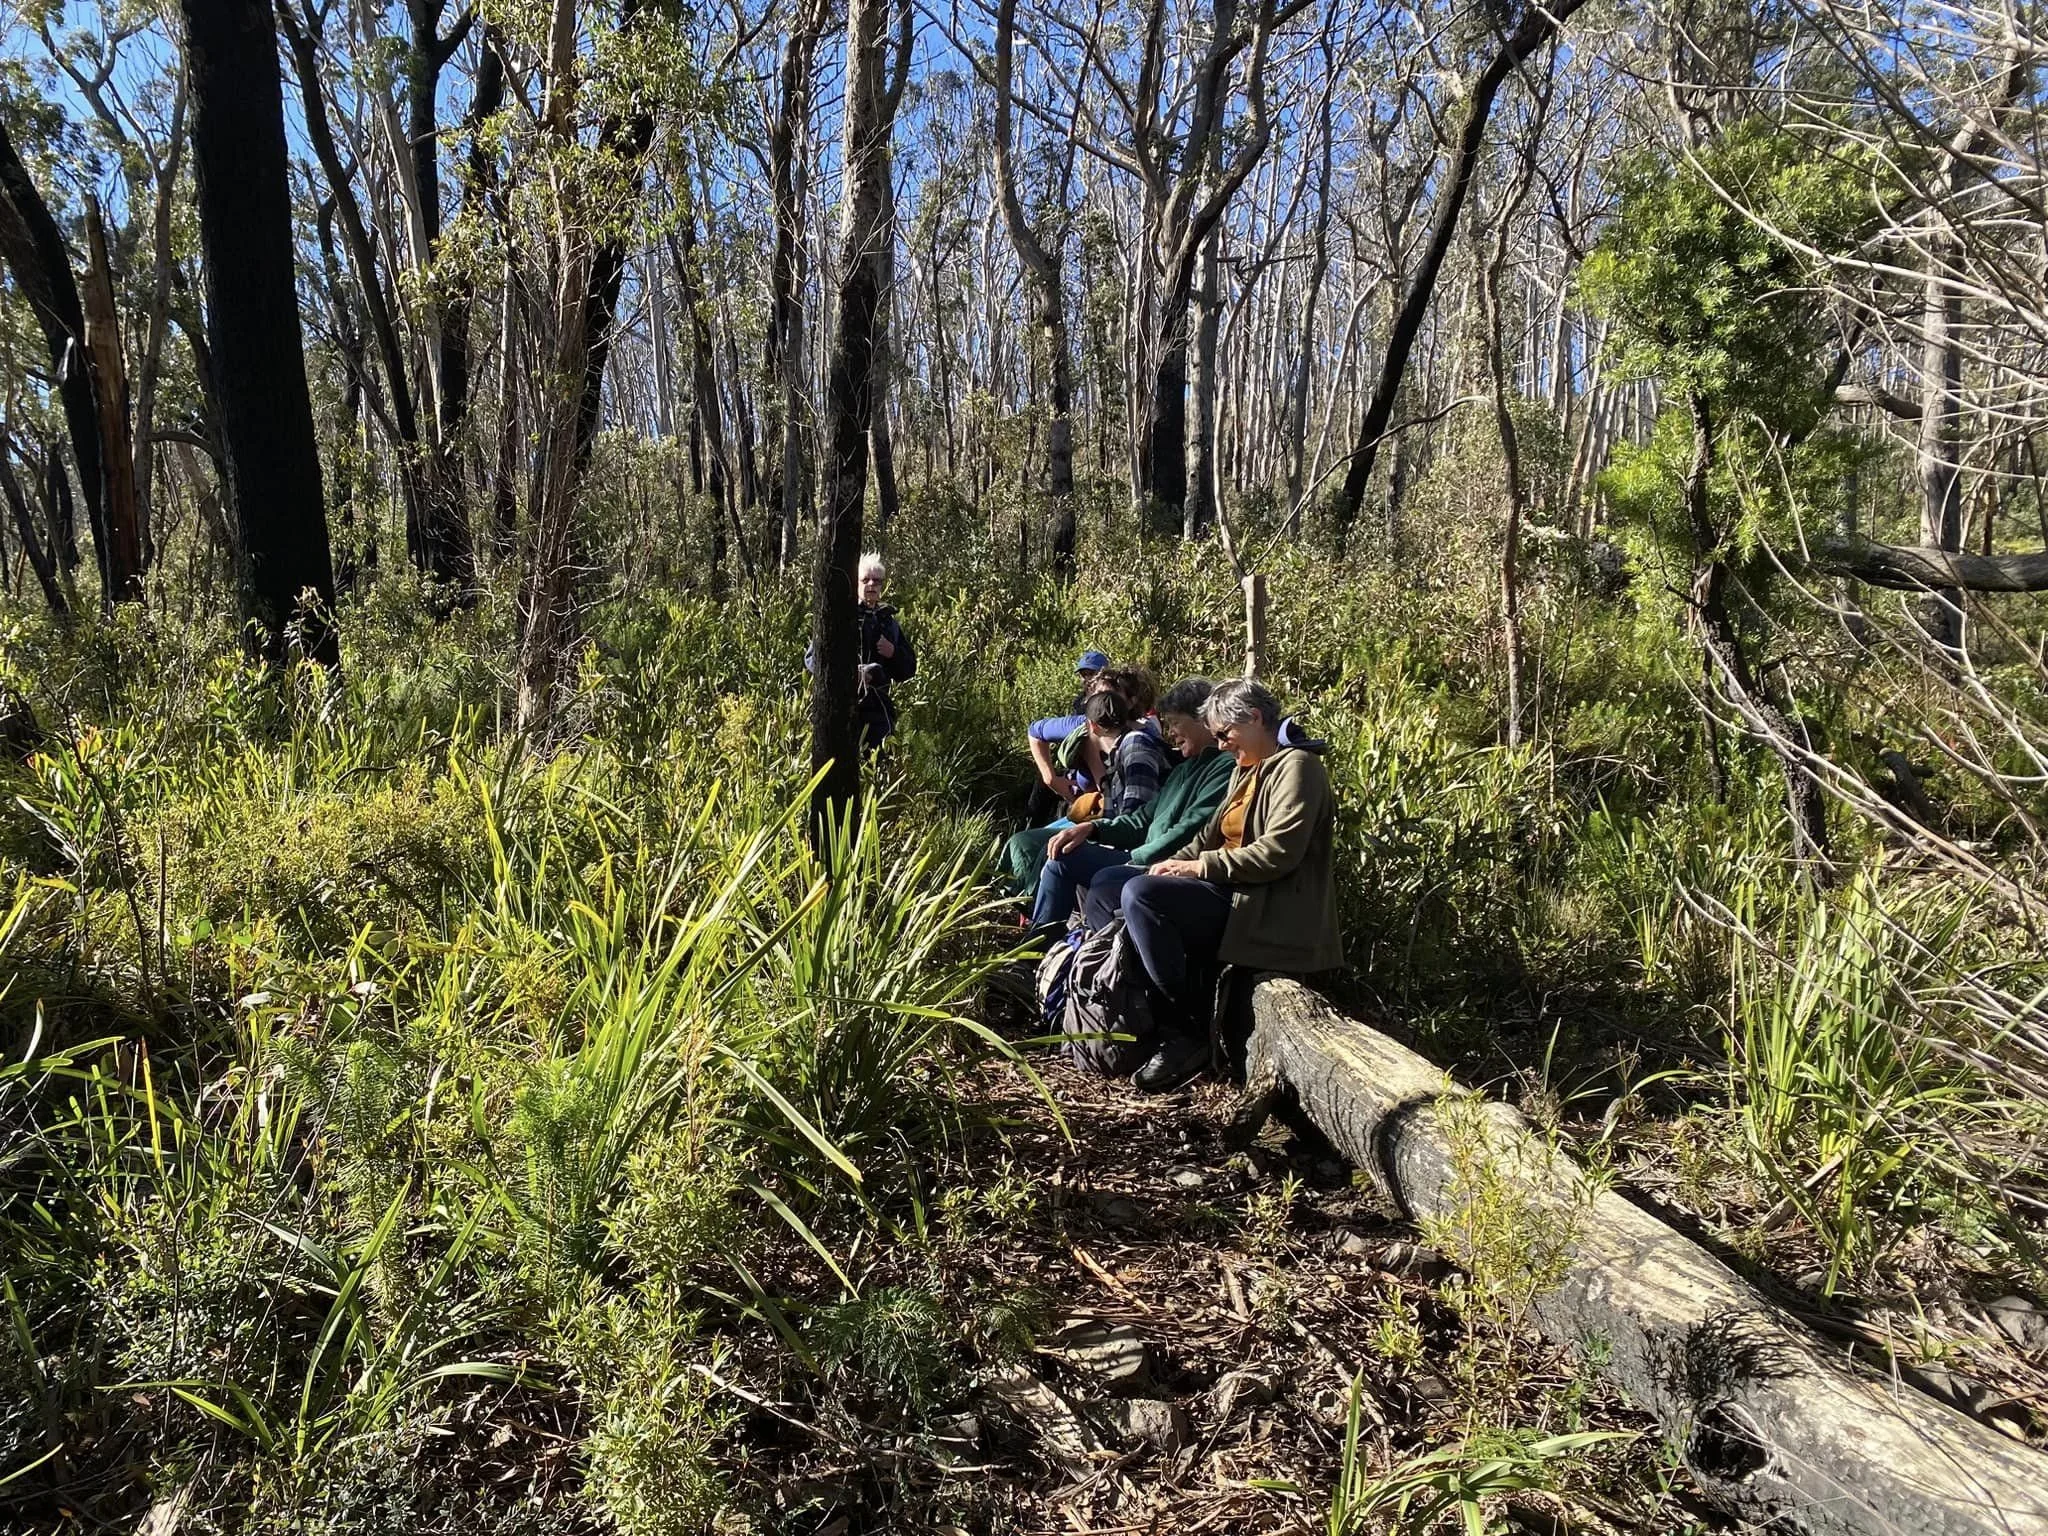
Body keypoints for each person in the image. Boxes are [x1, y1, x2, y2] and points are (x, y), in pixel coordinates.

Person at [1084, 678, 1342, 1094]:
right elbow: (1207, 836)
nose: (1221, 745)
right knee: (1113, 884)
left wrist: (1198, 868)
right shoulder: (1246, 769)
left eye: (1225, 734)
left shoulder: (1299, 768)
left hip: (1260, 905)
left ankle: (1186, 1030)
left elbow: (1278, 853)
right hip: (1226, 890)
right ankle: (1131, 1014)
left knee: (1143, 896)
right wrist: (1167, 864)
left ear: (1255, 718)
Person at [1028, 678, 1236, 931]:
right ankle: (1037, 950)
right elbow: (1141, 819)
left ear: (1203, 720)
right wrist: (1093, 829)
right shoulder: (1185, 769)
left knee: (1106, 880)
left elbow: (1190, 830)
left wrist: (1134, 859)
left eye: (1175, 723)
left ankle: (1107, 958)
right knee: (1062, 854)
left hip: (1169, 865)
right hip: (1143, 857)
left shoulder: (1224, 768)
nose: (1170, 733)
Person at [1004, 685, 1169, 900]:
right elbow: (1037, 730)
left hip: (1130, 845)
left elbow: (1133, 819)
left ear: (1091, 726)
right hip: (1104, 825)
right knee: (1023, 842)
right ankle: (1025, 902)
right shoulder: (1114, 750)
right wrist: (1051, 779)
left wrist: (1095, 832)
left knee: (1057, 852)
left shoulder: (1135, 747)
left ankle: (1038, 915)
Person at [808, 553, 917, 752]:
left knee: (877, 765)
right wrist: (848, 673)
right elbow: (813, 659)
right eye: (865, 579)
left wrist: (893, 653)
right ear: (856, 583)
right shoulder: (839, 617)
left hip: (877, 711)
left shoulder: (888, 623)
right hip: (839, 708)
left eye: (877, 580)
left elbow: (909, 668)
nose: (871, 585)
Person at [1025, 649, 1113, 821]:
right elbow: (1037, 730)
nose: (1088, 680)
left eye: (1092, 674)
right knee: (1043, 784)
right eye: (1084, 674)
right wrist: (1051, 778)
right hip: (1079, 776)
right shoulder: (1080, 707)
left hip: (1099, 790)